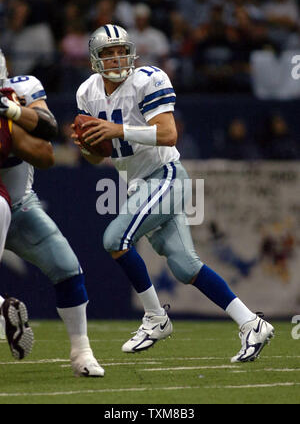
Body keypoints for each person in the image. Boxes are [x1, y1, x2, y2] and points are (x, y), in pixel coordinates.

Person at [72, 24, 274, 363]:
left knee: (114, 239)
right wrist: (88, 145)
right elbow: (98, 156)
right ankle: (251, 323)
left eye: (122, 50)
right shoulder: (86, 93)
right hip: (138, 183)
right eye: (109, 53)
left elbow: (168, 134)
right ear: (95, 58)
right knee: (184, 266)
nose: (117, 57)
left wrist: (117, 129)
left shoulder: (148, 79)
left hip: (166, 176)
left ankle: (155, 318)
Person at [0, 49, 104, 377]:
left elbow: (46, 152)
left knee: (66, 266)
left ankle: (82, 351)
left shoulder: (23, 88)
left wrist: (10, 122)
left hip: (17, 204)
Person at [0, 85, 54, 359]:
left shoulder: (9, 104)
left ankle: (1, 312)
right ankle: (2, 313)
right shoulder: (9, 103)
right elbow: (46, 142)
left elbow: (47, 135)